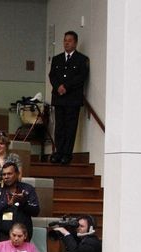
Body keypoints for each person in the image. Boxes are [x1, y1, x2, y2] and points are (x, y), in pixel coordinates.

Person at [49, 31, 89, 164]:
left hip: (72, 98)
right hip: (59, 97)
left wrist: (66, 86)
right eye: (65, 40)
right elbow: (52, 75)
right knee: (59, 126)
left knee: (70, 127)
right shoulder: (57, 59)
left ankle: (67, 153)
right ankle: (58, 151)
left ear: (75, 43)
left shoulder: (82, 59)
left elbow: (81, 77)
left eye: (70, 40)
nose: (66, 43)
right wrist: (58, 86)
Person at [0, 162, 40, 249]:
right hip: (0, 237)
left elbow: (36, 211)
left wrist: (22, 202)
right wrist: (6, 204)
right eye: (4, 174)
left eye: (9, 174)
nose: (6, 177)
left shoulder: (27, 189)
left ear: (17, 174)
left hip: (22, 237)